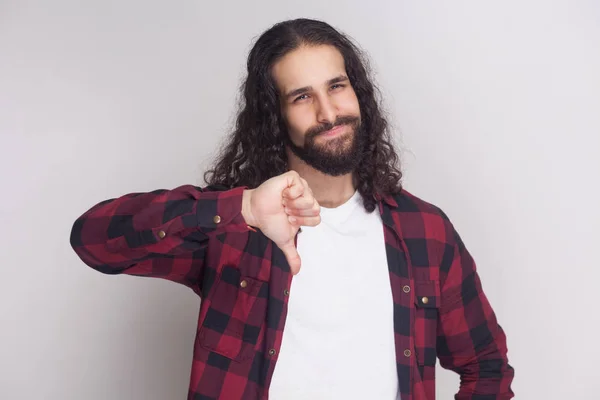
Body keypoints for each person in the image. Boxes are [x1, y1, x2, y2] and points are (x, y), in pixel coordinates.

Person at [70, 18, 514, 400]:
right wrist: (242, 206)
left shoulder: (425, 231)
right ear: (274, 115)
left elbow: (486, 368)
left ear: (357, 92)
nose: (328, 112)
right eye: (301, 97)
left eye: (337, 87)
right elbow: (94, 240)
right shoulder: (235, 224)